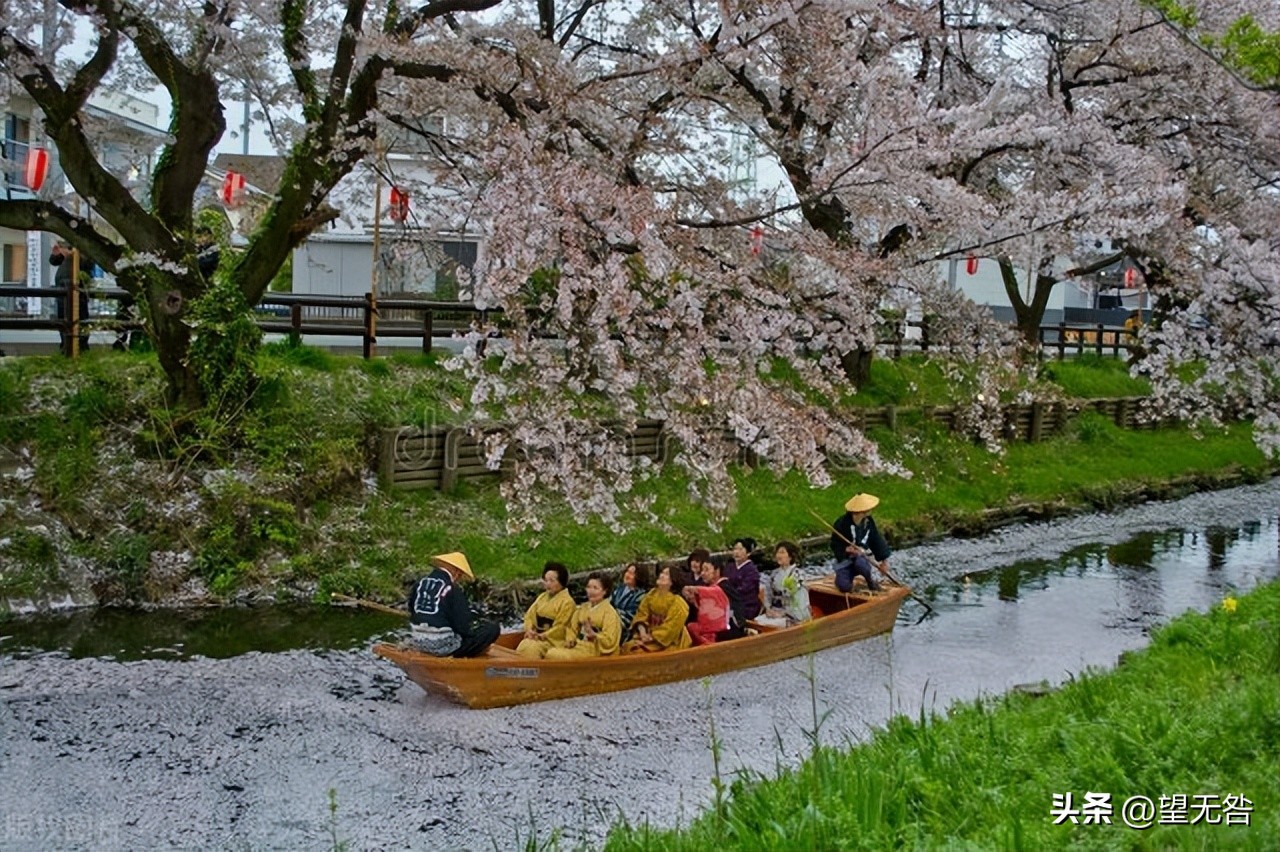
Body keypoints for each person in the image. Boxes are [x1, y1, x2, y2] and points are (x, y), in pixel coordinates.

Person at [407, 551, 500, 657]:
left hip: (418, 640)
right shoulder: (451, 589)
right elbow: (463, 627)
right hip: (442, 645)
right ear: (457, 572)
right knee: (492, 629)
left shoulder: (420, 583)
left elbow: (411, 609)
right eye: (460, 575)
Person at [546, 572, 622, 660]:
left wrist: (594, 635)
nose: (591, 591)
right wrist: (570, 639)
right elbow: (572, 628)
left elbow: (610, 639)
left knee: (558, 656)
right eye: (588, 587)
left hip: (595, 649)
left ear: (605, 591)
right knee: (551, 652)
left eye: (595, 588)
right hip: (579, 645)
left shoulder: (609, 612)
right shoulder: (583, 607)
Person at [831, 493, 892, 593]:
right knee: (844, 586)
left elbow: (876, 539)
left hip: (861, 557)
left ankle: (870, 582)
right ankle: (846, 580)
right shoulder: (841, 524)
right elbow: (835, 543)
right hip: (845, 559)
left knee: (861, 564)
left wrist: (884, 562)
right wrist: (846, 549)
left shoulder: (868, 522)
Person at [515, 561, 577, 658]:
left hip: (553, 641)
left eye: (552, 581)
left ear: (561, 581)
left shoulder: (567, 602)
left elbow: (561, 627)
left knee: (532, 648)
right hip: (537, 636)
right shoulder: (542, 597)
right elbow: (529, 616)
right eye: (546, 580)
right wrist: (529, 630)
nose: (548, 584)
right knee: (525, 644)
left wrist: (543, 635)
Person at [623, 565, 691, 653]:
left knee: (638, 652)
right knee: (627, 647)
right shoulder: (651, 594)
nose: (661, 575)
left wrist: (650, 638)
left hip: (667, 642)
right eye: (662, 573)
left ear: (673, 581)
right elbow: (641, 614)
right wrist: (642, 633)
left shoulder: (679, 603)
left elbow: (669, 630)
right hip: (647, 636)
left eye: (666, 574)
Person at [682, 551, 744, 645]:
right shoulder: (710, 587)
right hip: (717, 624)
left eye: (706, 570)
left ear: (717, 571)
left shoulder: (724, 586)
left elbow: (715, 593)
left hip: (729, 628)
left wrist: (695, 589)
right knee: (690, 626)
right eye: (702, 570)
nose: (702, 573)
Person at [756, 541, 811, 628]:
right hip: (776, 611)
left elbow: (798, 599)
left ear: (790, 556)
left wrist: (784, 613)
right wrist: (769, 609)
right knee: (758, 621)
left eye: (782, 552)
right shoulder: (774, 574)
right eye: (778, 552)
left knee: (769, 624)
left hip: (794, 613)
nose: (778, 555)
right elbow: (768, 593)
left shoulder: (798, 574)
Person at [49, 241, 89, 355]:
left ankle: (81, 348)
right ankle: (65, 347)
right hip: (62, 287)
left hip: (77, 286)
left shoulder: (85, 244)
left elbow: (87, 261)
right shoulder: (66, 241)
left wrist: (71, 255)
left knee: (79, 318)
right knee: (63, 319)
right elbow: (54, 261)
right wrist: (56, 254)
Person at [724, 537, 761, 620]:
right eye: (735, 549)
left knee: (728, 617)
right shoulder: (729, 567)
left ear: (748, 553)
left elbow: (744, 590)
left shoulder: (752, 570)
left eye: (741, 549)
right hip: (729, 603)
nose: (737, 552)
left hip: (746, 605)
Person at [609, 562, 650, 638]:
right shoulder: (619, 589)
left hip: (624, 630)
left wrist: (612, 614)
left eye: (631, 574)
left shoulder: (641, 596)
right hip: (610, 620)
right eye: (627, 572)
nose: (627, 575)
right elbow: (609, 603)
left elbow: (631, 617)